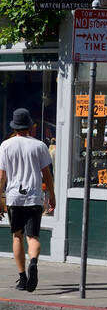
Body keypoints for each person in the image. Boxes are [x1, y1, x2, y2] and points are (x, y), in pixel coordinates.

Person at [0, 109, 55, 293]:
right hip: (34, 197)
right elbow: (47, 174)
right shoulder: (39, 146)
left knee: (17, 236)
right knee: (33, 236)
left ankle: (22, 278)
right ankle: (34, 262)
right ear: (30, 127)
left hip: (14, 197)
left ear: (14, 127)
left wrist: (0, 198)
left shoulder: (5, 146)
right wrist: (52, 195)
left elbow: (2, 176)